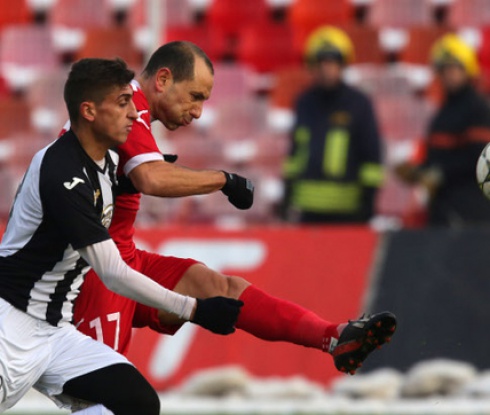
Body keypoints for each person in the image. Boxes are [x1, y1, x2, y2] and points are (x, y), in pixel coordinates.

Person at [69, 42, 397, 414]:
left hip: (122, 256)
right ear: (163, 79)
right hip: (94, 268)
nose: (197, 111)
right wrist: (224, 180)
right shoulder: (124, 106)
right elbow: (151, 178)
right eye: (194, 96)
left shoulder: (130, 111)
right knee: (106, 403)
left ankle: (333, 337)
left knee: (219, 289)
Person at [0, 57, 243, 414]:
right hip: (12, 324)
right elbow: (113, 273)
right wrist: (194, 310)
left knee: (139, 404)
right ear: (89, 111)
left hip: (55, 333)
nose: (134, 113)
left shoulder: (104, 162)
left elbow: (130, 179)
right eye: (122, 103)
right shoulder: (62, 172)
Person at [281, 26, 384, 224]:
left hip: (348, 212)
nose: (325, 69)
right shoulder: (304, 102)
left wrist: (368, 201)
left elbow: (371, 157)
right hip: (308, 212)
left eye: (332, 62)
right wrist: (287, 194)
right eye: (320, 63)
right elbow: (296, 153)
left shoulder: (359, 104)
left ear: (343, 65)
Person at [395, 33, 490, 227]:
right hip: (442, 209)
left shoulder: (478, 109)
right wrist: (418, 172)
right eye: (444, 70)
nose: (449, 75)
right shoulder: (442, 113)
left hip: (472, 211)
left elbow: (481, 161)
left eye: (454, 68)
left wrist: (439, 174)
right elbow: (436, 159)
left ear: (468, 70)